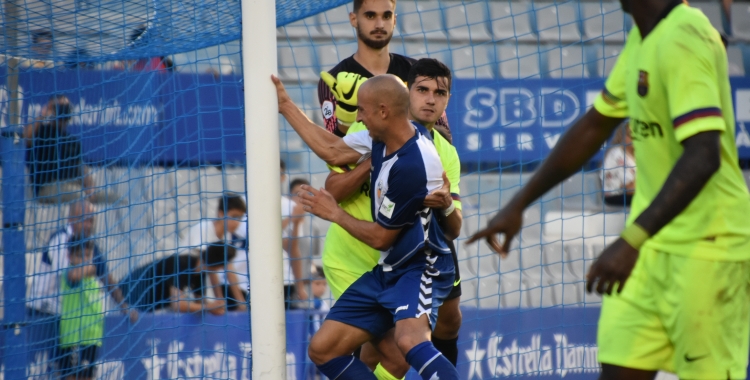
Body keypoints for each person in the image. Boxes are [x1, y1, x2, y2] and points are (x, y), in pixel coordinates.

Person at [468, 0, 750, 378]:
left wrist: (632, 239)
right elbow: (594, 126)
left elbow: (704, 155)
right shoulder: (642, 37)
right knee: (618, 368)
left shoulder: (687, 34)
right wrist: (518, 203)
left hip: (708, 249)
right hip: (651, 250)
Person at [275, 73, 459, 380]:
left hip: (420, 267)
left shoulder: (412, 166)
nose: (358, 117)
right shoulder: (383, 137)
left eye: (363, 110)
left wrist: (335, 213)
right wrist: (285, 105)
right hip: (389, 269)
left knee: (406, 342)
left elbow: (380, 238)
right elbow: (332, 150)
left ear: (384, 111)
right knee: (323, 349)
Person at [27, 200, 136, 377]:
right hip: (43, 314)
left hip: (73, 323)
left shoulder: (89, 246)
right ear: (71, 219)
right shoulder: (61, 240)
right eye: (84, 219)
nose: (88, 225)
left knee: (77, 373)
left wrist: (124, 306)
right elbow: (70, 275)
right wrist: (91, 268)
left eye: (91, 221)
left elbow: (107, 278)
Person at [318, 0, 451, 141]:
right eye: (370, 16)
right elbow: (333, 150)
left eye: (386, 16)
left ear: (394, 20)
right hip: (363, 163)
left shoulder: (417, 72)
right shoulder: (334, 79)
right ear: (354, 19)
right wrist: (347, 114)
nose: (379, 24)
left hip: (415, 162)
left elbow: (444, 135)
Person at [57, 237, 120, 380]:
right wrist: (91, 267)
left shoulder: (93, 277)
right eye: (80, 256)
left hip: (92, 338)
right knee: (71, 376)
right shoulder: (70, 273)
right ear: (69, 256)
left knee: (88, 376)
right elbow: (74, 275)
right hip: (74, 338)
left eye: (88, 256)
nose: (85, 260)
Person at [119, 244, 237, 314]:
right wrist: (209, 307)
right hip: (122, 299)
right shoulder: (182, 264)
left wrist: (214, 307)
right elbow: (178, 304)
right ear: (219, 264)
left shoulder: (200, 273)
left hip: (139, 307)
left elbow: (199, 303)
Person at [180, 194, 248, 311]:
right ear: (221, 214)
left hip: (200, 286)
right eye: (234, 217)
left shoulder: (226, 236)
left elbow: (229, 269)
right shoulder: (203, 229)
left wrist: (241, 303)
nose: (237, 222)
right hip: (184, 284)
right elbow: (210, 266)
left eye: (240, 218)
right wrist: (219, 298)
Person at [601, 122, 636, 206]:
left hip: (633, 196)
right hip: (616, 197)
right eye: (630, 135)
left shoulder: (639, 155)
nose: (634, 138)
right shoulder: (616, 154)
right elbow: (629, 188)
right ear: (622, 136)